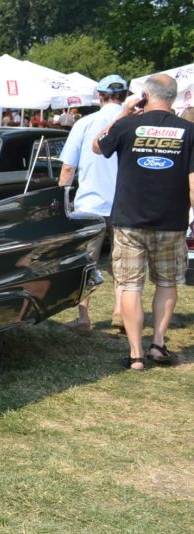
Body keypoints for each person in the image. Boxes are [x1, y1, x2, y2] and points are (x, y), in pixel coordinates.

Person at [93, 73, 194, 370]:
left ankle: (136, 355)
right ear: (173, 98)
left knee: (130, 286)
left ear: (145, 96)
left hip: (129, 221)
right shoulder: (190, 131)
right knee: (167, 283)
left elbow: (98, 146)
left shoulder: (127, 125)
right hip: (172, 221)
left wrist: (124, 113)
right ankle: (157, 345)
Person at [58, 74, 130, 332]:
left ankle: (84, 316)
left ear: (99, 96)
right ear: (125, 95)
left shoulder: (85, 123)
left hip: (90, 204)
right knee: (123, 263)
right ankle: (121, 312)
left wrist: (61, 200)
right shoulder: (135, 122)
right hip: (127, 204)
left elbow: (68, 167)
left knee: (85, 262)